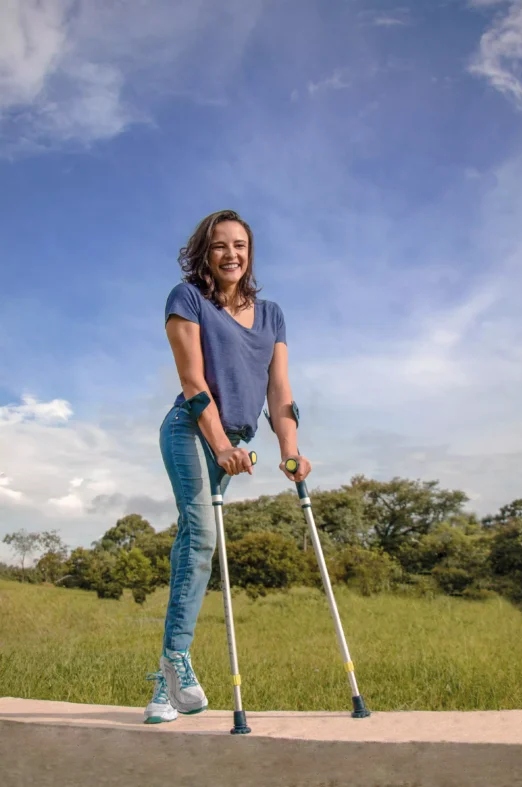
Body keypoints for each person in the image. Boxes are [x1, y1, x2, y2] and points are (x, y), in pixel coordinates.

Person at [144, 209, 312, 724]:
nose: (231, 254)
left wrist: (290, 449)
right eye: (220, 245)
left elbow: (279, 391)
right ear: (205, 252)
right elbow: (193, 382)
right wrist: (219, 445)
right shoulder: (187, 299)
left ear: (250, 253)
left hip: (234, 442)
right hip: (191, 430)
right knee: (201, 537)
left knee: (192, 542)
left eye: (240, 245)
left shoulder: (272, 315)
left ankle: (164, 684)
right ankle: (176, 660)